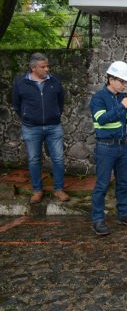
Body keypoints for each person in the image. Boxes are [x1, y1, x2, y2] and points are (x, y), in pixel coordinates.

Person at [90, 61, 127, 236]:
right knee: (102, 185)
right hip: (105, 147)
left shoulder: (122, 96)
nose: (125, 85)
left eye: (126, 81)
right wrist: (121, 105)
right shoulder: (99, 98)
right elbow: (102, 119)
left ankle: (123, 215)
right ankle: (98, 220)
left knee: (123, 183)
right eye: (122, 81)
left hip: (122, 145)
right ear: (111, 79)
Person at [12, 53, 69, 203]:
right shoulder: (21, 82)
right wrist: (27, 117)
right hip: (31, 128)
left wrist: (55, 115)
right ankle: (37, 190)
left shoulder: (54, 81)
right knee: (34, 160)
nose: (47, 69)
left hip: (53, 126)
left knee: (58, 158)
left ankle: (59, 189)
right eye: (43, 67)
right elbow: (16, 105)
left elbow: (60, 102)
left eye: (47, 66)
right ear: (33, 68)